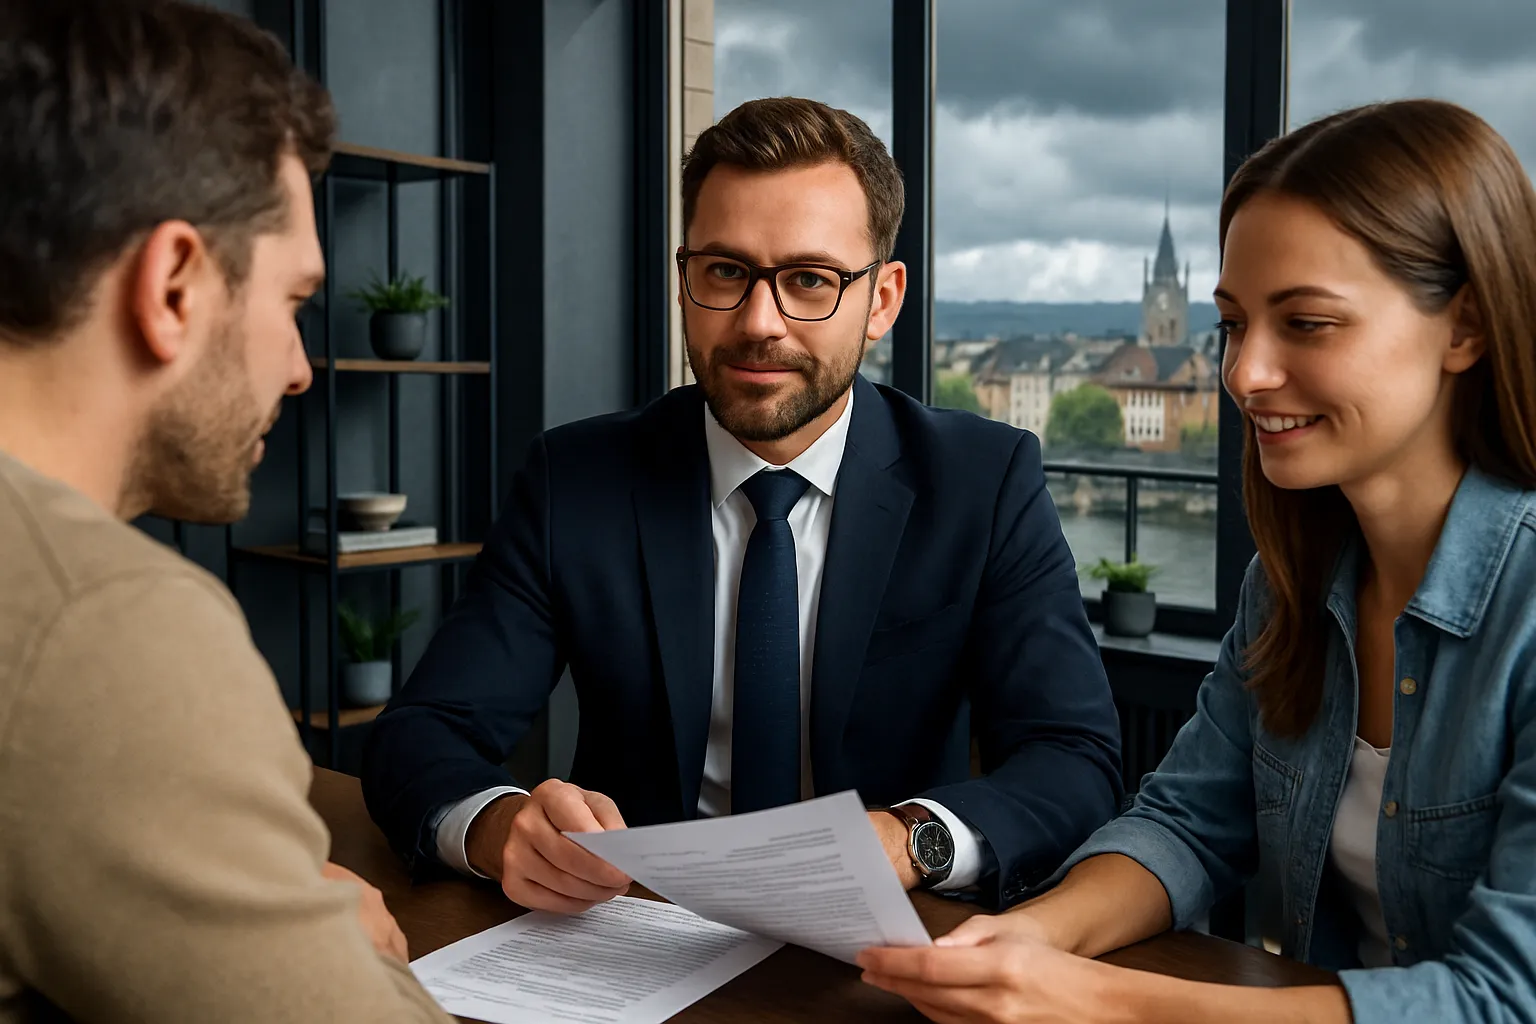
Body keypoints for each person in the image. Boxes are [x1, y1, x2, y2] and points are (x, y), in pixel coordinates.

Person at [855, 97, 1536, 1023]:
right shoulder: (1292, 581)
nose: (1245, 373)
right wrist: (1033, 936)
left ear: (1464, 329)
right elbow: (1186, 823)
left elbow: (1508, 998)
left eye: (1307, 324)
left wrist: (1100, 999)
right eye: (1233, 323)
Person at [362, 96, 1123, 914]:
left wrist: (912, 840)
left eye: (809, 280)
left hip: (883, 950)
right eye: (726, 272)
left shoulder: (984, 480)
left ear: (883, 301)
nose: (760, 323)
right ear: (686, 277)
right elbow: (423, 733)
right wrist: (500, 826)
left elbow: (1074, 758)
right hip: (634, 936)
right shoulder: (577, 479)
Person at [0, 1, 451, 1020]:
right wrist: (338, 941)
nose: (299, 372)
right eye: (293, 302)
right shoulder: (108, 626)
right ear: (172, 286)